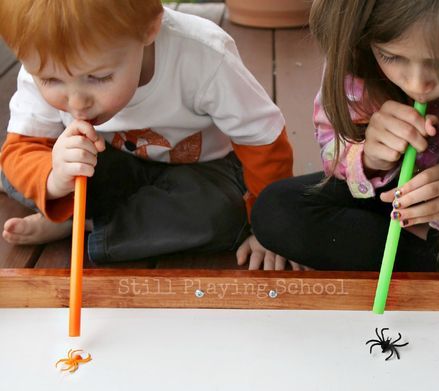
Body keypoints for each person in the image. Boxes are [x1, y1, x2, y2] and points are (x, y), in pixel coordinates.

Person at [0, 0, 295, 269]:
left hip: (202, 170)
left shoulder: (204, 56)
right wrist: (55, 178)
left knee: (224, 213)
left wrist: (269, 227)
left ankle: (81, 221)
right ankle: (78, 212)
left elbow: (262, 140)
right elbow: (22, 147)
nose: (76, 102)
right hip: (108, 162)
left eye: (99, 77)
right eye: (50, 80)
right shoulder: (45, 53)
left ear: (149, 28)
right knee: (15, 171)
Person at [252, 0, 439, 272]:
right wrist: (370, 158)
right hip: (382, 198)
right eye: (391, 56)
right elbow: (333, 149)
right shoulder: (356, 57)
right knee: (276, 209)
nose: (417, 84)